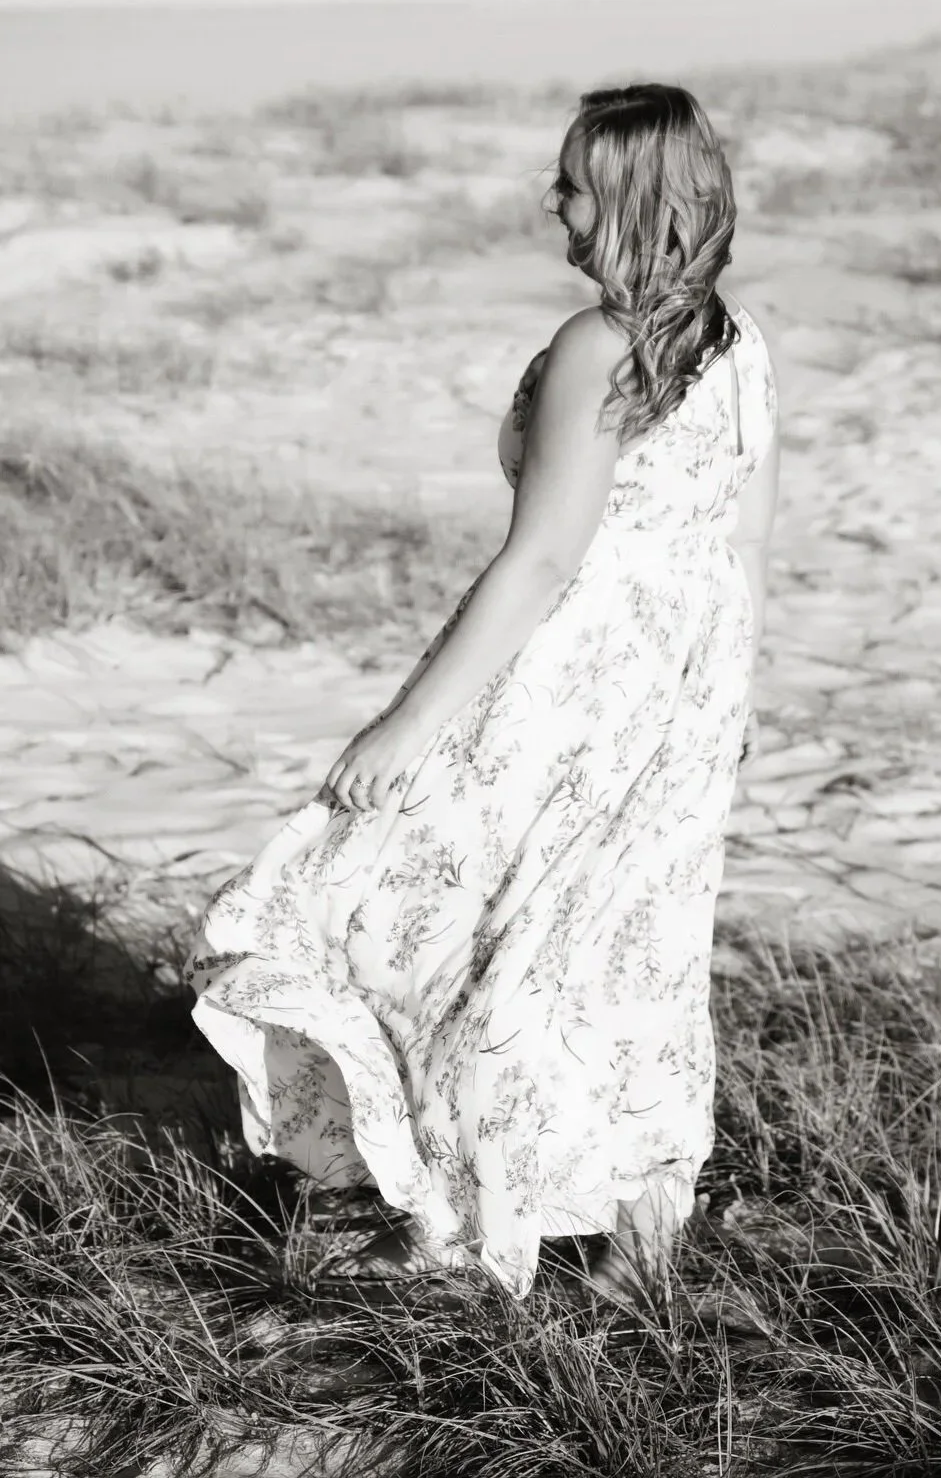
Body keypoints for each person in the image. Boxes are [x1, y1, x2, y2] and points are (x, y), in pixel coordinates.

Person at [184, 82, 780, 1306]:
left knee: (403, 906)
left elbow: (544, 557)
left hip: (564, 676)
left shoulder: (596, 346)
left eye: (567, 177)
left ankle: (466, 1230)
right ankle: (640, 1239)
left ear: (620, 195)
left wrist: (405, 724)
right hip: (686, 681)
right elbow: (743, 548)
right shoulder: (741, 344)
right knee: (629, 952)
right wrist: (721, 710)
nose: (550, 199)